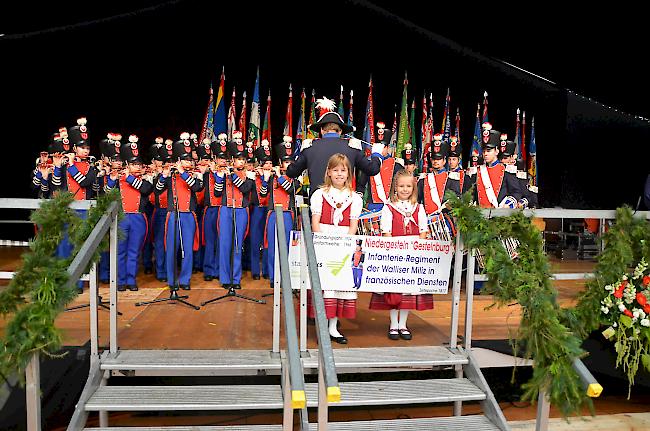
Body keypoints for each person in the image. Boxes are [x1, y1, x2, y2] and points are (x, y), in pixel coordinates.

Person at [369, 169, 431, 341]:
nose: (405, 189)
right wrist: (394, 251)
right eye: (401, 186)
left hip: (412, 253)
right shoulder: (388, 208)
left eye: (408, 186)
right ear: (395, 187)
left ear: (414, 188)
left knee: (408, 292)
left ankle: (403, 324)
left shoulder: (419, 208)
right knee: (394, 291)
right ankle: (393, 324)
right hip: (396, 253)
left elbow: (423, 231)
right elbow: (386, 231)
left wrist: (418, 249)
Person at [309, 153, 363, 344]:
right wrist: (322, 243)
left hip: (343, 244)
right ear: (329, 173)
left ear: (349, 173)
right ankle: (322, 328)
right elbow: (315, 221)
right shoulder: (319, 194)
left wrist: (346, 245)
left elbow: (353, 225)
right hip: (323, 242)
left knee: (339, 285)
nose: (339, 174)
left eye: (343, 170)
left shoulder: (355, 198)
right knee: (326, 287)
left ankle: (333, 327)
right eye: (335, 170)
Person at [285, 97, 384, 195]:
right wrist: (377, 154)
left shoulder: (309, 147)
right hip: (344, 204)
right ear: (340, 131)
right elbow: (373, 169)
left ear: (322, 130)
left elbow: (291, 172)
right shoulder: (352, 147)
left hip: (318, 205)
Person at [155, 132, 206, 291]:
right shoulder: (169, 175)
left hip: (188, 215)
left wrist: (183, 172)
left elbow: (197, 187)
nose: (188, 162)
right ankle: (171, 280)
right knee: (171, 248)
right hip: (172, 214)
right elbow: (157, 190)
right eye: (185, 159)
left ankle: (185, 279)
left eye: (190, 159)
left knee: (188, 249)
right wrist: (163, 176)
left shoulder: (194, 175)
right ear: (178, 160)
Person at [105, 135, 153, 291]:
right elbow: (107, 193)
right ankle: (120, 280)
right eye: (133, 164)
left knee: (134, 251)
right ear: (126, 164)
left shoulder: (145, 179)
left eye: (139, 163)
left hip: (138, 218)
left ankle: (131, 280)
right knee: (120, 251)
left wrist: (130, 178)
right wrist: (113, 178)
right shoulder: (118, 179)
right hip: (122, 218)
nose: (137, 166)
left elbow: (146, 190)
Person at [215, 149, 253, 289]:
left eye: (243, 159)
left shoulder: (249, 175)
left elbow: (245, 189)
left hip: (241, 210)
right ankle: (225, 278)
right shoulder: (225, 174)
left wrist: (232, 175)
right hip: (226, 209)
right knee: (224, 244)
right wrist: (219, 177)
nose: (241, 162)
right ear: (233, 161)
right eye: (238, 159)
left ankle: (236, 279)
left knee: (238, 245)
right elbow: (217, 192)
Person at [472, 123, 523, 208]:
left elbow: (516, 192)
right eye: (484, 151)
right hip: (480, 216)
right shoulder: (478, 170)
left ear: (496, 151)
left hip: (499, 216)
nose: (485, 154)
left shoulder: (506, 170)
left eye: (488, 151)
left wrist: (508, 205)